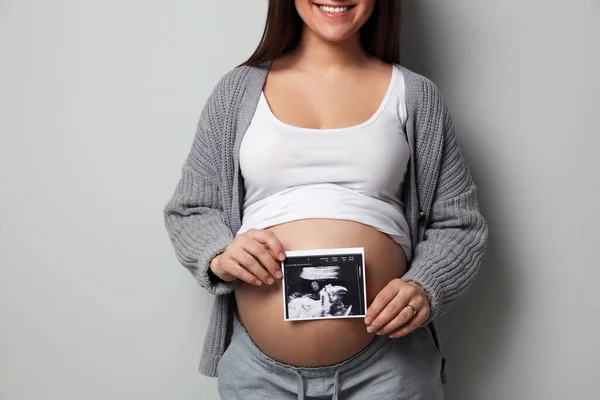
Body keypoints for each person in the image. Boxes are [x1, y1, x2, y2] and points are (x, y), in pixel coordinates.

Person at [164, 0, 488, 398]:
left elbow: (458, 222)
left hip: (389, 373)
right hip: (260, 377)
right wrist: (220, 254)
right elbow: (190, 209)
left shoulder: (415, 95)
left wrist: (426, 285)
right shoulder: (236, 92)